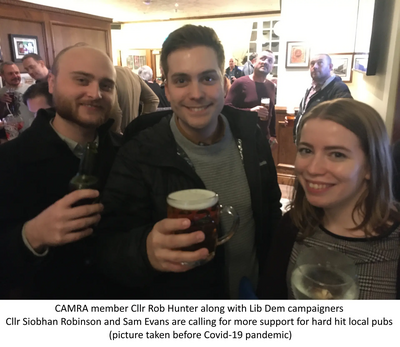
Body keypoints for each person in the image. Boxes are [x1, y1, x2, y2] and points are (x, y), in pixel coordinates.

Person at [97, 24, 282, 299]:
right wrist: (144, 250)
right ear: (167, 89)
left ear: (224, 82)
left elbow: (271, 211)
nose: (196, 93)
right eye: (182, 80)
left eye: (208, 78)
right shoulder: (139, 153)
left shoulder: (250, 135)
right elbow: (107, 247)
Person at [0, 45, 123, 298]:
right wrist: (32, 236)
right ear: (52, 83)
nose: (95, 93)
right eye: (81, 80)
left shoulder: (129, 153)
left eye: (106, 85)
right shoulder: (9, 161)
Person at [258, 98, 400, 299]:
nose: (313, 169)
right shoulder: (292, 225)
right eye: (306, 150)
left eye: (337, 155)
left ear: (370, 166)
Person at [294, 54, 352, 139]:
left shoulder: (339, 89)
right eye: (312, 64)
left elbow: (344, 122)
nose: (315, 66)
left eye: (320, 63)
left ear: (330, 67)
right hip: (305, 141)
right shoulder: (312, 88)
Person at [225, 50, 277, 145]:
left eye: (270, 61)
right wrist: (250, 112)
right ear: (254, 62)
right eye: (263, 58)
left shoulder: (271, 86)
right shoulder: (240, 83)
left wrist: (273, 135)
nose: (265, 62)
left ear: (272, 67)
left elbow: (271, 111)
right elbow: (226, 110)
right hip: (241, 141)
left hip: (263, 141)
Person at [110, 66, 159, 133]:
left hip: (113, 136)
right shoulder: (133, 75)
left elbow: (115, 112)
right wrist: (141, 125)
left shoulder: (109, 75)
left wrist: (117, 133)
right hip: (132, 134)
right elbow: (153, 100)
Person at [0, 61, 35, 133]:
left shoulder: (31, 89)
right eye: (10, 74)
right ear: (2, 76)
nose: (15, 76)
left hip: (31, 132)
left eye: (17, 72)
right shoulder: (1, 93)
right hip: (11, 135)